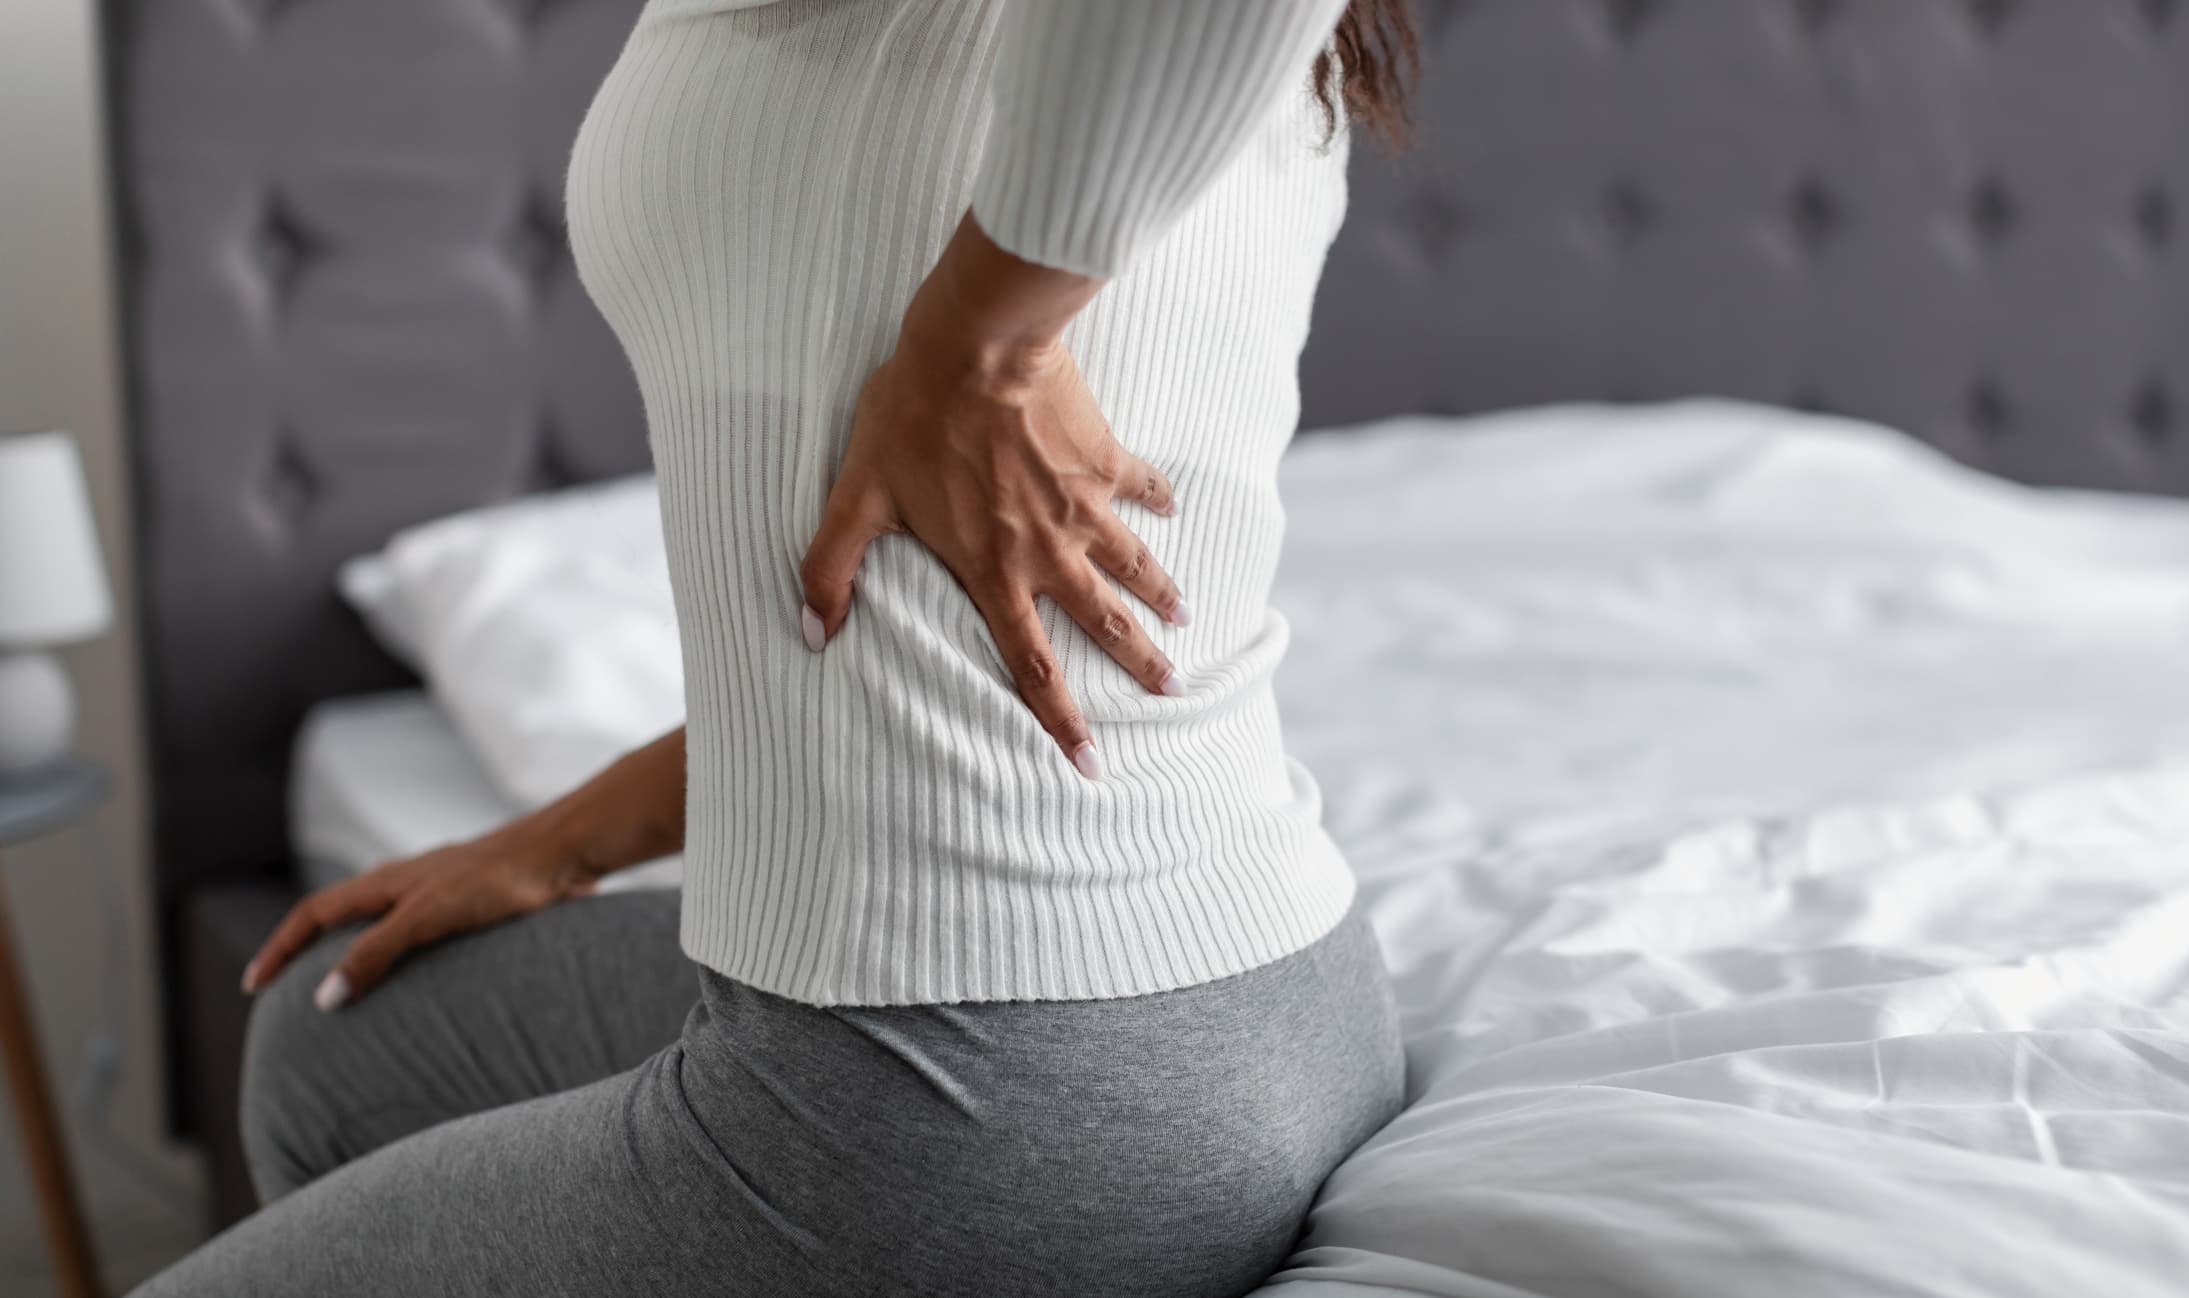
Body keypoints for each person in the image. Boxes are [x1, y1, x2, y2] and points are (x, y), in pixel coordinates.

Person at [135, 1, 1418, 1293]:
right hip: (1277, 996)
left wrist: (982, 337)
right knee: (342, 1033)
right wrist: (556, 839)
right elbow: (921, 647)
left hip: (979, 1090)